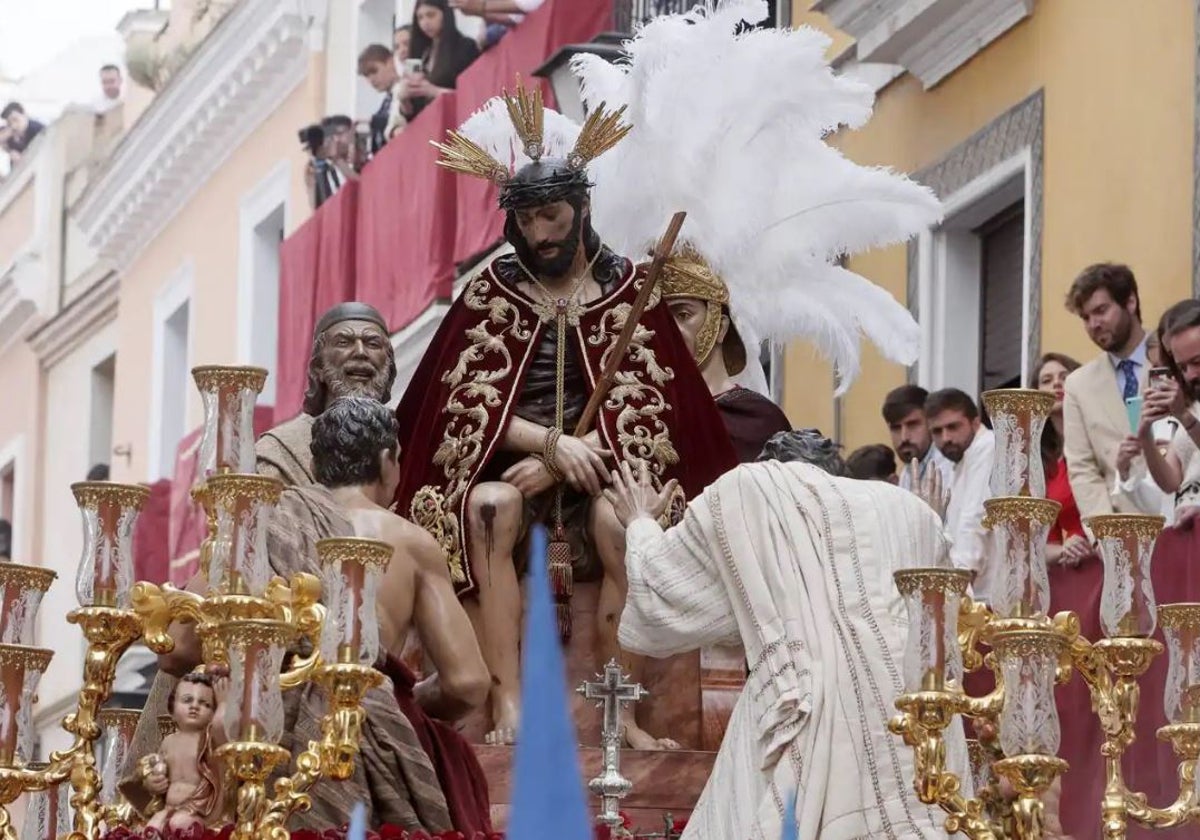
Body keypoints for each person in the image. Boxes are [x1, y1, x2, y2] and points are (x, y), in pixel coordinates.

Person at [396, 83, 737, 748]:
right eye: (525, 222)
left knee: (627, 520)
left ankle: (623, 714)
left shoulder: (630, 291)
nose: (539, 234)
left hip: (606, 474)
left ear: (581, 209)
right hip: (507, 472)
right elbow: (458, 403)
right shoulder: (491, 292)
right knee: (489, 508)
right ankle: (509, 703)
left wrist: (579, 462)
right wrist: (547, 446)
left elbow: (657, 414)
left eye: (550, 216)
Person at [605, 442, 962, 840]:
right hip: (915, 718)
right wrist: (930, 522)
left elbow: (661, 596)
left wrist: (639, 522)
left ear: (773, 465)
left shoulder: (749, 489)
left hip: (815, 707)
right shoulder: (909, 509)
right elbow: (942, 632)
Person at [312, 396, 493, 834]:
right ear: (387, 459)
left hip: (264, 739)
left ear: (317, 468)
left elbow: (181, 648)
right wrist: (400, 697)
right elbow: (468, 683)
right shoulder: (409, 541)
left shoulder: (273, 521)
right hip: (362, 736)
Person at [658, 251, 791, 462]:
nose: (670, 330)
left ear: (720, 327)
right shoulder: (649, 416)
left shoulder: (759, 420)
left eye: (683, 315)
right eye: (662, 319)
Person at [255, 302, 395, 486]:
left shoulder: (409, 440)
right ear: (318, 366)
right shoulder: (279, 452)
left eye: (373, 344)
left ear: (389, 364)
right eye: (343, 342)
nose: (361, 352)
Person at [1062, 262, 1149, 518]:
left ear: (1130, 302)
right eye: (1086, 318)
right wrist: (1105, 537)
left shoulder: (1175, 359)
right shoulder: (1078, 384)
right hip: (1121, 533)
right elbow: (1082, 469)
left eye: (1101, 311)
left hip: (1183, 524)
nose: (1093, 324)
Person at [129, 670, 225, 832]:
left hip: (196, 809)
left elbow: (222, 734)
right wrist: (153, 783)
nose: (195, 706)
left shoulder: (209, 741)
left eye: (205, 703)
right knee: (152, 827)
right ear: (172, 709)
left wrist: (224, 704)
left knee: (179, 825)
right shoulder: (168, 742)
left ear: (212, 713)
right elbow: (154, 768)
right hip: (168, 807)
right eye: (187, 700)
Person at [926, 388, 995, 598]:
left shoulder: (988, 446)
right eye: (937, 432)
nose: (946, 438)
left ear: (975, 423)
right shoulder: (959, 461)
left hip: (987, 594)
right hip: (978, 592)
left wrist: (959, 588)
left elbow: (976, 517)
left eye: (953, 427)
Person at [1033, 353, 1093, 566]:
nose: (1056, 383)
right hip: (1068, 571)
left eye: (1064, 376)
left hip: (1106, 558)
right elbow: (1037, 545)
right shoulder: (1042, 464)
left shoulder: (1099, 443)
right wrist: (1063, 550)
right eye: (1046, 381)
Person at [403, 0, 480, 117]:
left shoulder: (465, 47)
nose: (425, 22)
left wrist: (434, 91)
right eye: (420, 18)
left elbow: (474, 94)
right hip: (428, 127)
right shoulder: (422, 55)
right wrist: (404, 99)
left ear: (445, 14)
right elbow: (411, 113)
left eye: (431, 15)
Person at [882, 385, 953, 493]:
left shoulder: (948, 468)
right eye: (896, 428)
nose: (904, 437)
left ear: (930, 423)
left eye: (912, 425)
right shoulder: (907, 473)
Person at [358, 44, 405, 154]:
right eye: (366, 75)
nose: (371, 80)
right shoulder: (386, 102)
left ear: (390, 63)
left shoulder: (405, 90)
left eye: (374, 71)